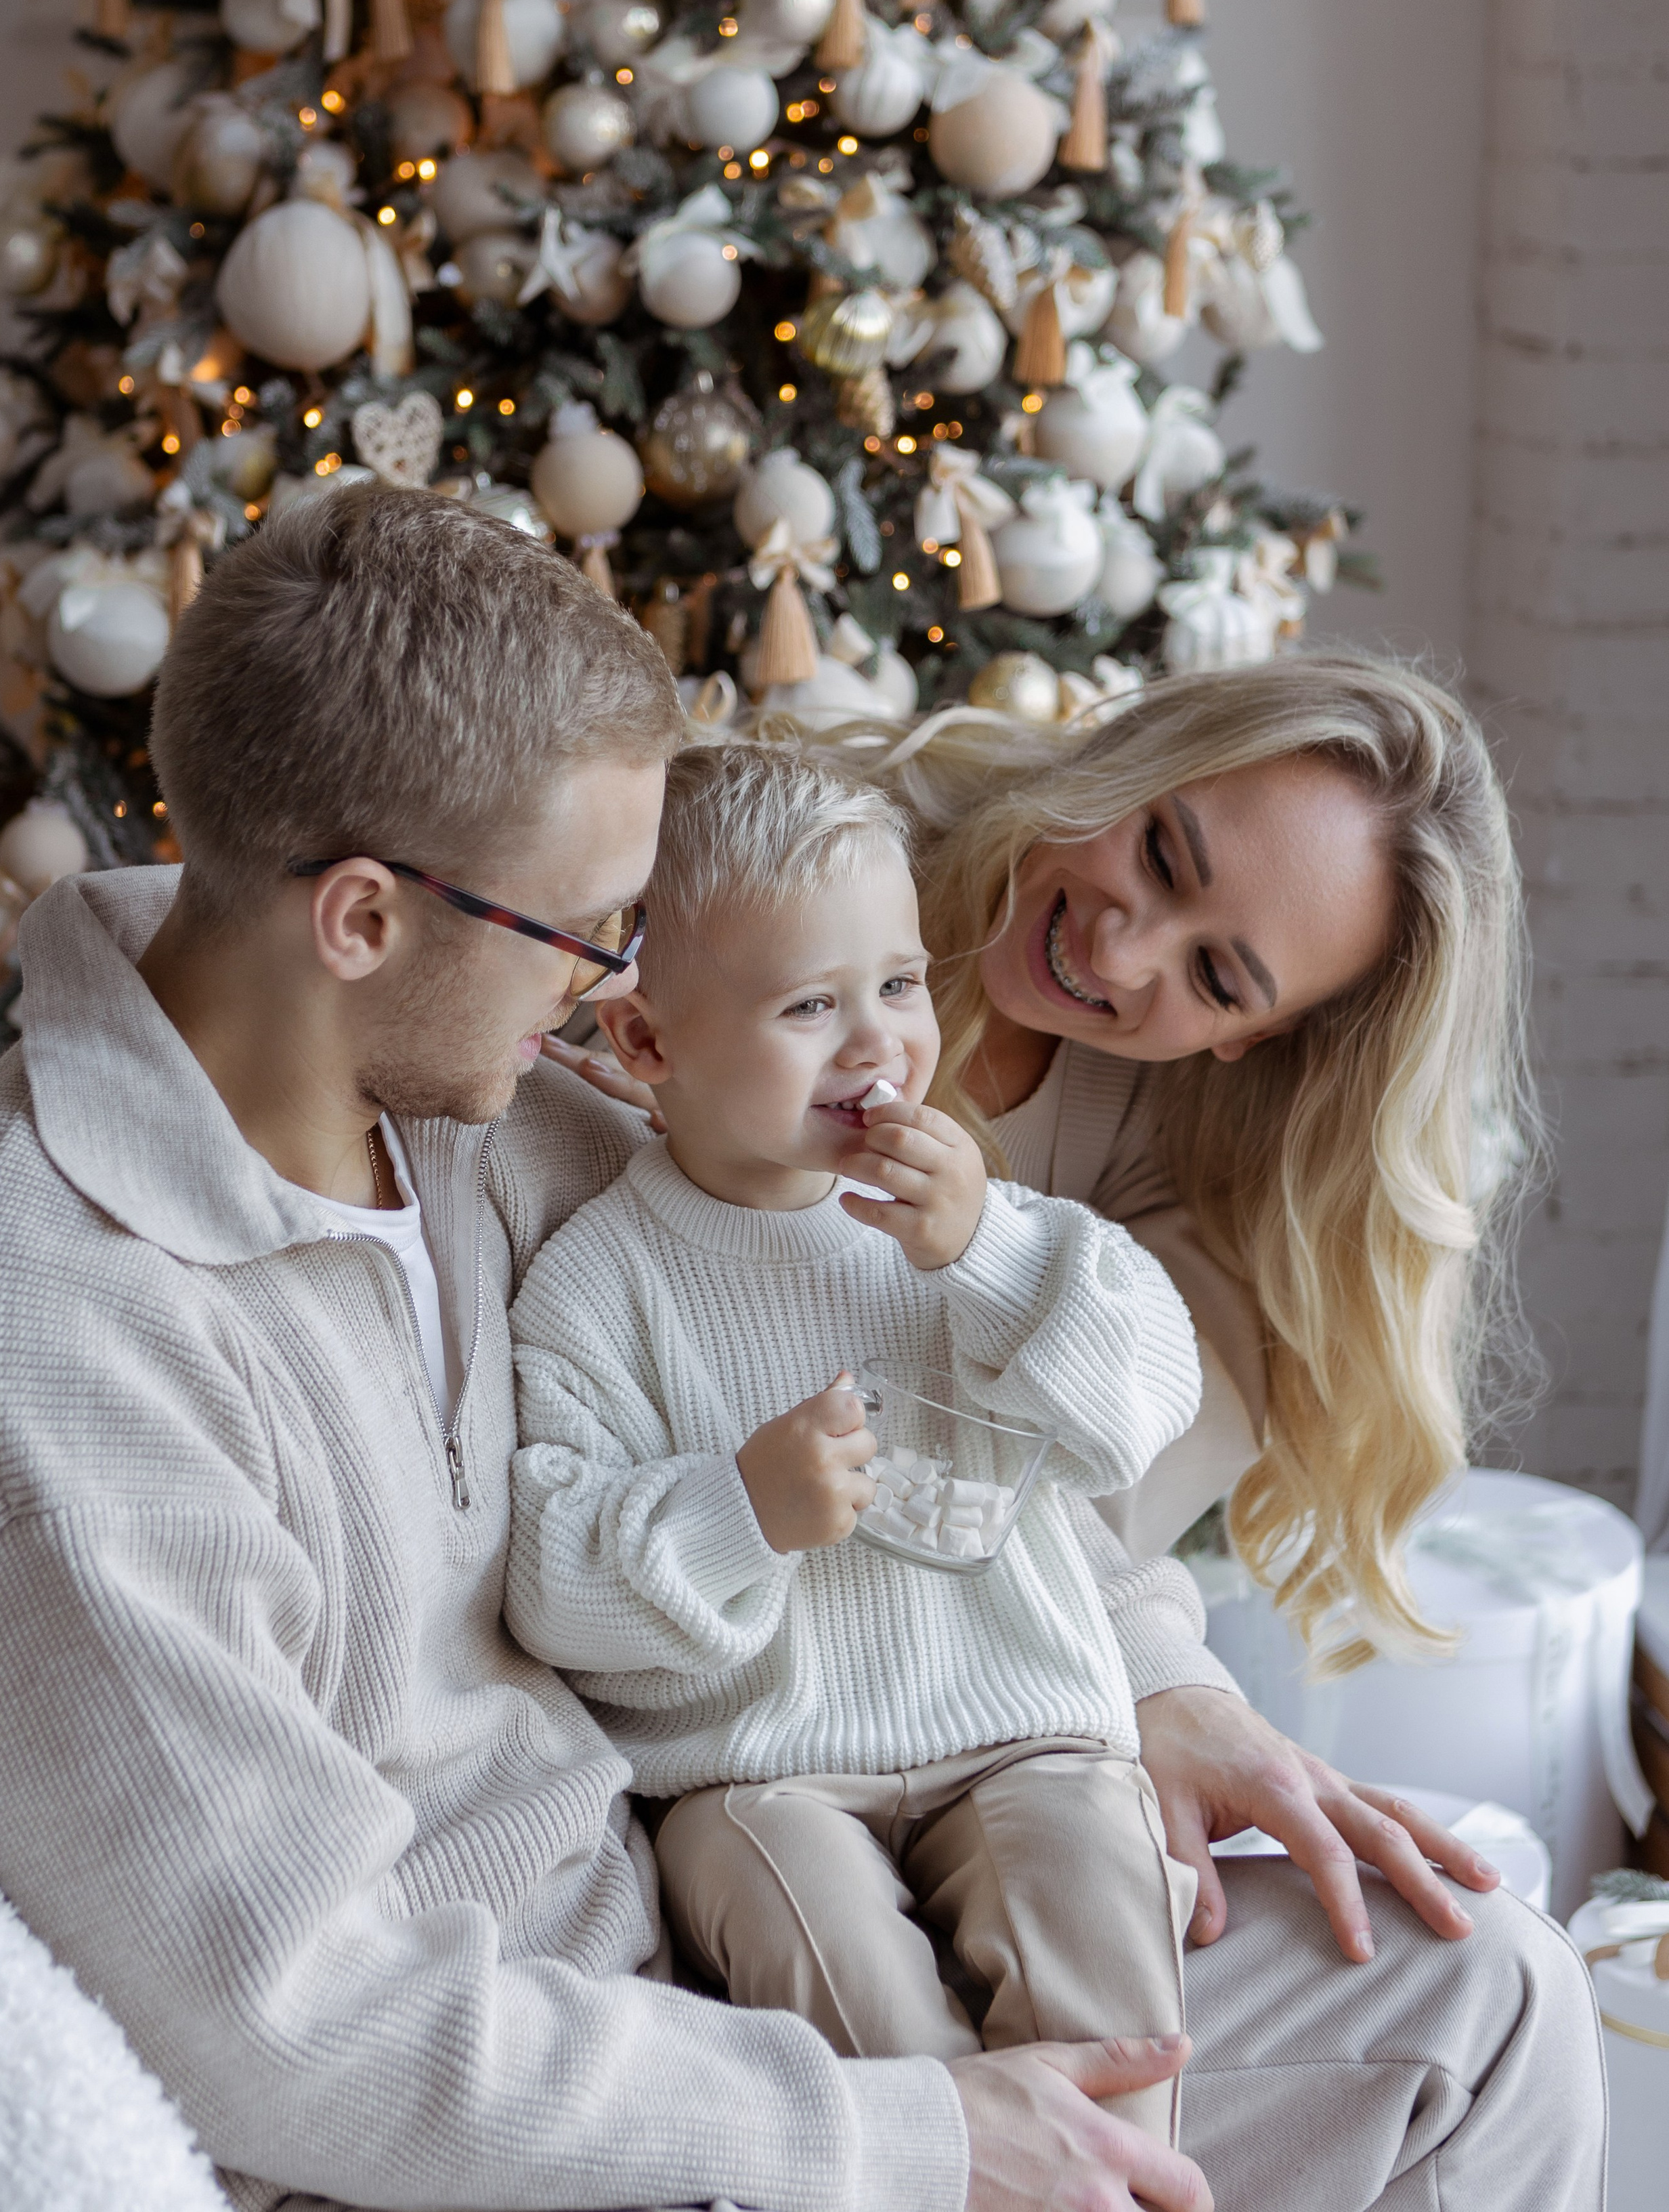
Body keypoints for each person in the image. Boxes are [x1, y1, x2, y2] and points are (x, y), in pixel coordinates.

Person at [0, 490, 1207, 2212]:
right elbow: (294, 2031)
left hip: (749, 1931)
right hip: (571, 2111)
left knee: (1480, 1998)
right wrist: (906, 2136)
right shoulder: (56, 1337)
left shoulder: (483, 1095)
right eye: (584, 928)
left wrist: (1157, 1683)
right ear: (366, 920)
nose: (619, 989)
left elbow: (858, 1330)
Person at [550, 655, 1609, 2210]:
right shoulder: (786, 880)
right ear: (1138, 748)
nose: (1120, 945)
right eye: (1162, 852)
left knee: (1484, 1980)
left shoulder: (1180, 1201)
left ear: (1256, 1040)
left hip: (983, 1710)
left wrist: (1158, 1683)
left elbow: (1076, 1495)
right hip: (740, 1753)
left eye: (1219, 977)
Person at [508, 744, 1205, 2136]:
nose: (880, 1043)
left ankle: (1109, 2177)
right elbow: (550, 1582)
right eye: (809, 1006)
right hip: (754, 1772)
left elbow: (1141, 1408)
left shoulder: (971, 1229)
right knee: (811, 1943)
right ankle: (941, 2160)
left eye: (896, 985)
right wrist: (736, 1510)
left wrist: (990, 1258)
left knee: (1093, 1919)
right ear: (647, 1045)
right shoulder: (600, 1282)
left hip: (1017, 1735)